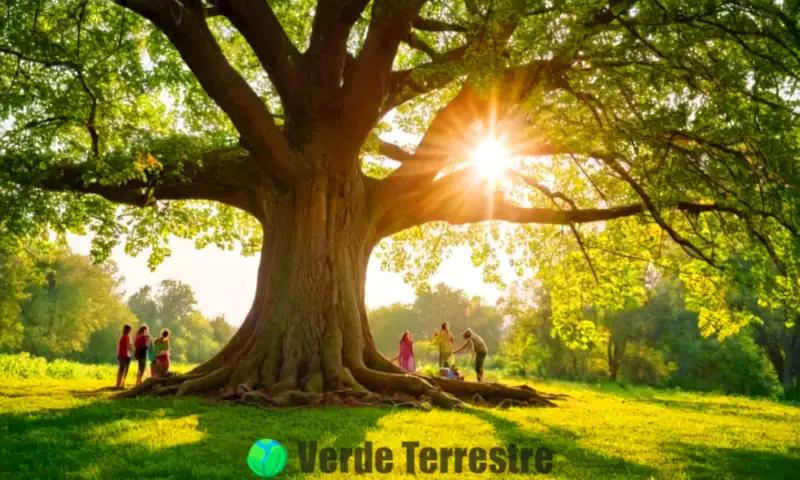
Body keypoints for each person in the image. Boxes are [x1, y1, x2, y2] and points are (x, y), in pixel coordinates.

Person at [116, 324, 132, 389]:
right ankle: (119, 384)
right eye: (129, 329)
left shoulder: (124, 337)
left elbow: (121, 347)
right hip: (125, 355)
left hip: (125, 355)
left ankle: (121, 383)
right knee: (123, 369)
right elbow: (127, 347)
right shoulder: (125, 337)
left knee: (122, 369)